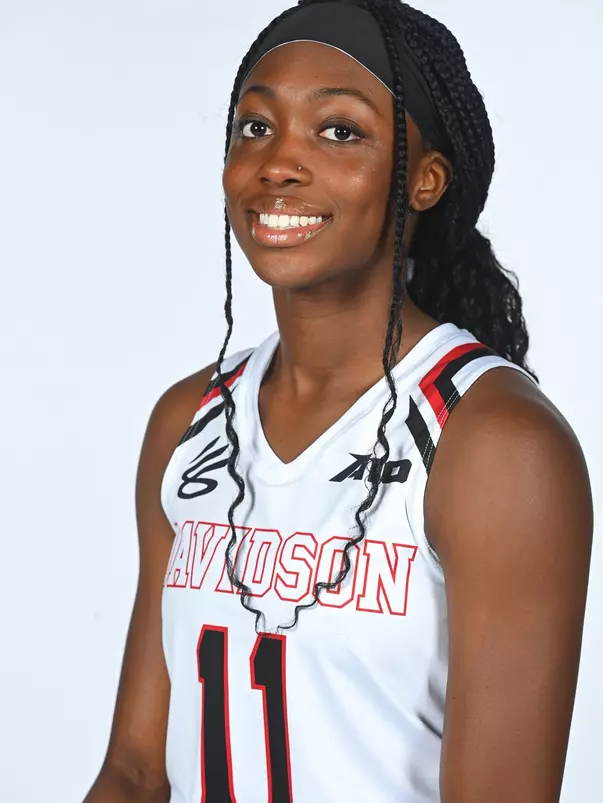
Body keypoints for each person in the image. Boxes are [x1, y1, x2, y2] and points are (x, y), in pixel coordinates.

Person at [83, 1, 593, 801]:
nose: (277, 163)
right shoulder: (189, 421)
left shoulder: (493, 444)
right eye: (254, 128)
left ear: (424, 180)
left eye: (339, 131)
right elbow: (136, 769)